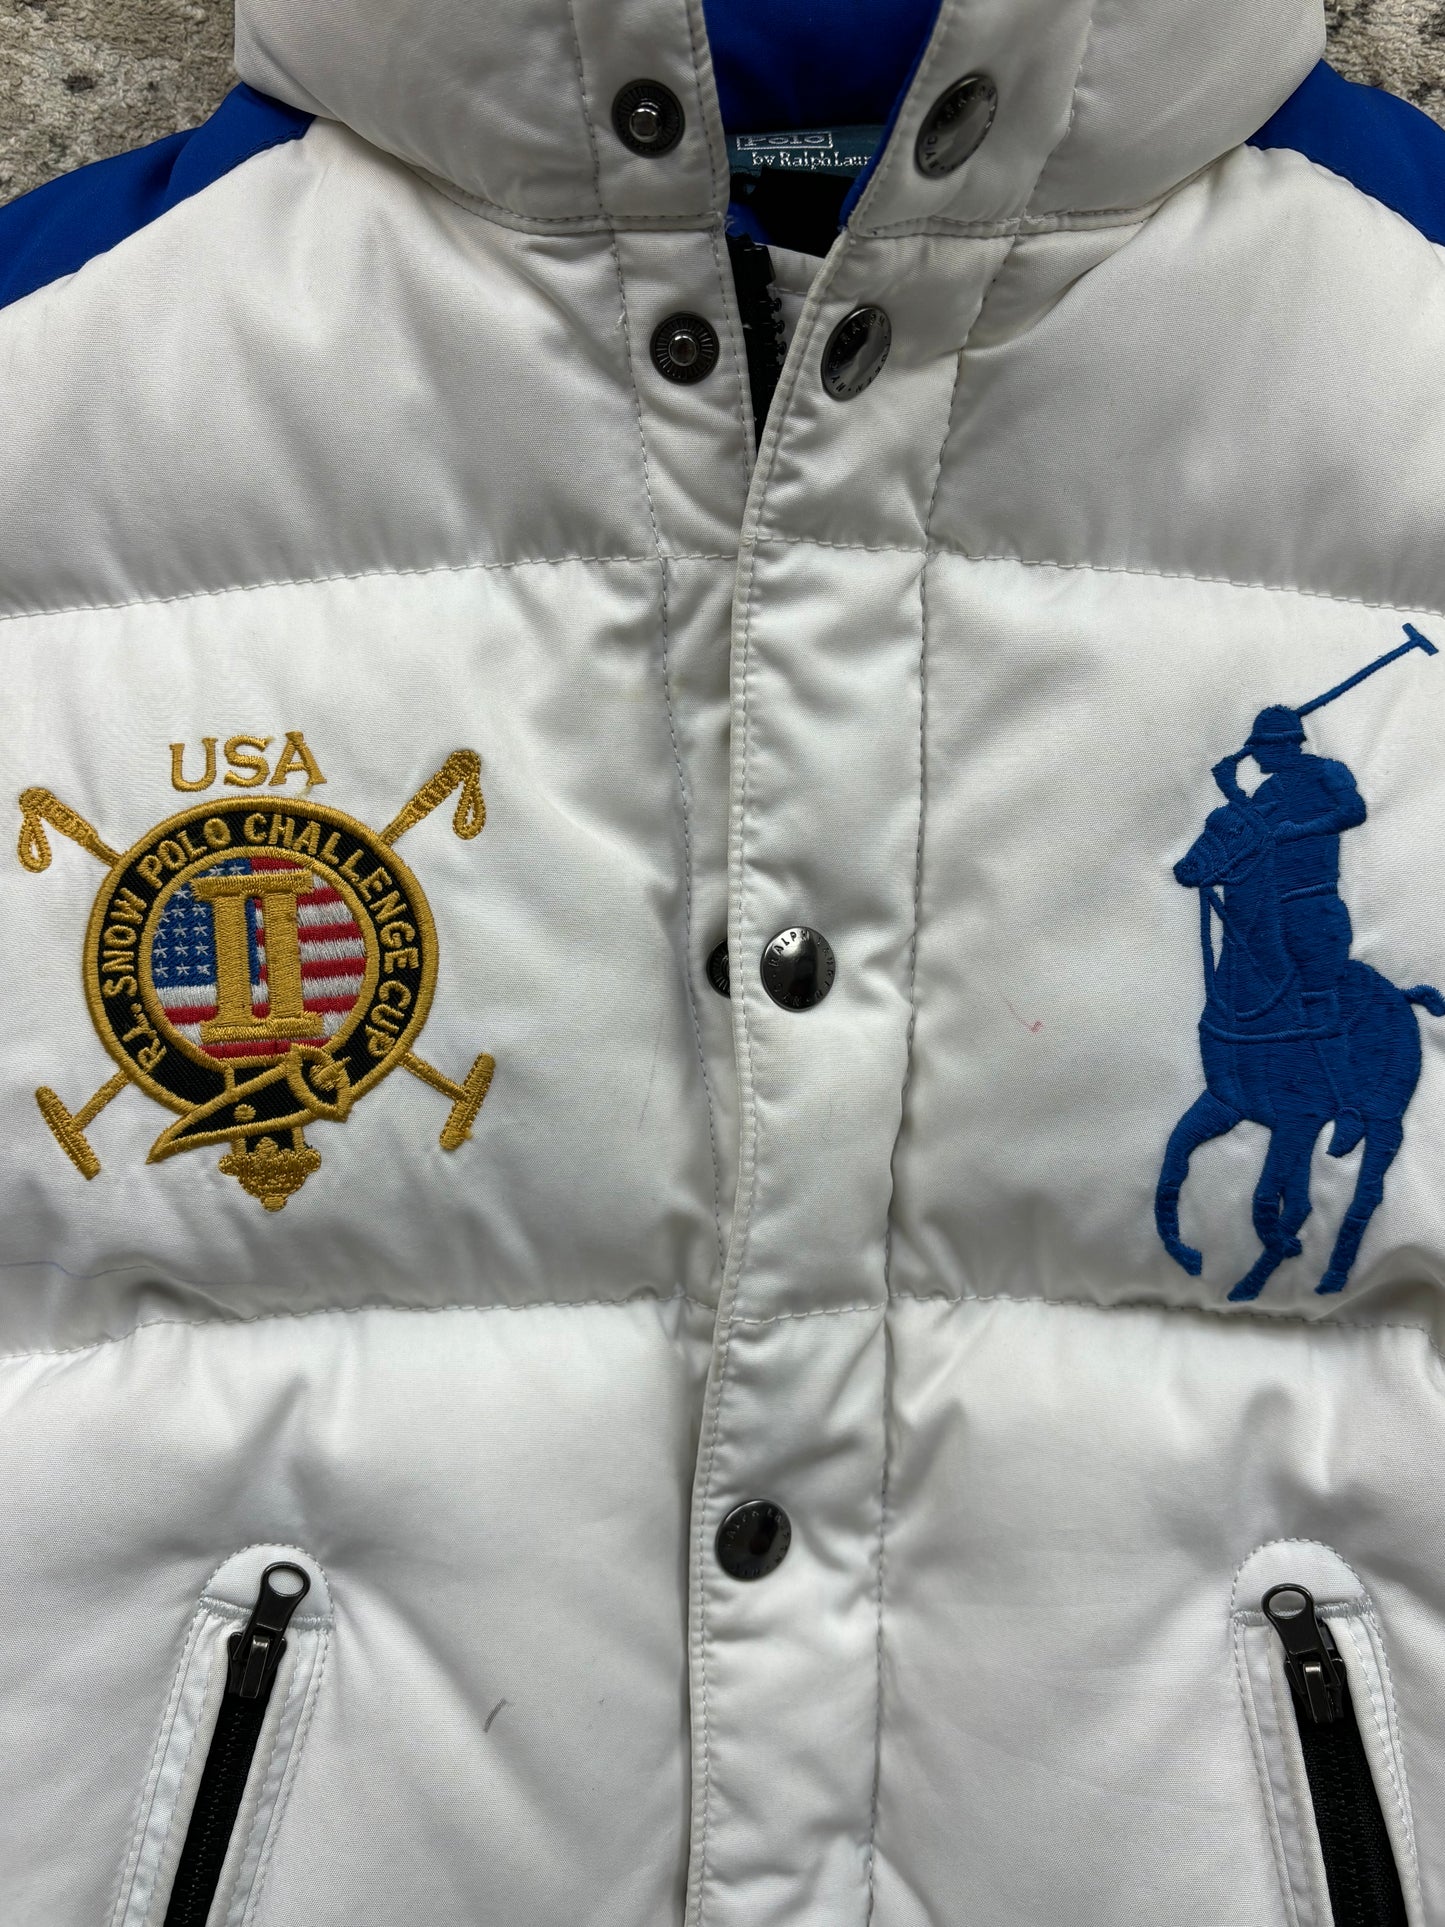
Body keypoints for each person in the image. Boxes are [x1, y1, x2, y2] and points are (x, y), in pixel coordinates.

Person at [1212, 704, 1367, 1152]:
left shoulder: (1328, 772)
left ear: (1283, 746)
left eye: (1260, 748)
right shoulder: (1270, 788)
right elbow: (1253, 832)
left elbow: (1353, 811)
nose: (1256, 756)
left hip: (1313, 906)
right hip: (1268, 911)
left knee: (1318, 1002)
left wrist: (1298, 830)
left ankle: (1349, 1107)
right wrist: (1232, 792)